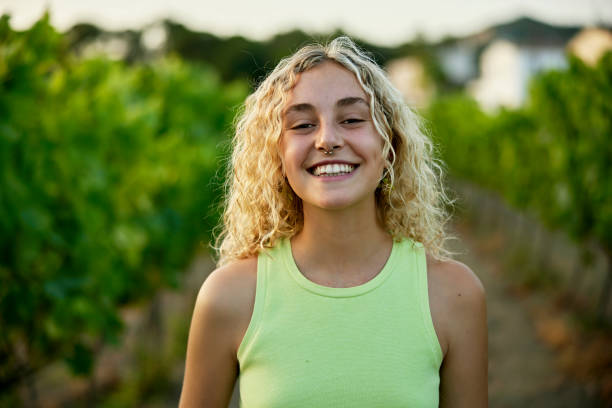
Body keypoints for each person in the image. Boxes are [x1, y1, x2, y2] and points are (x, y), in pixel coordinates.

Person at [179, 37, 488, 408]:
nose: (327, 140)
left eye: (353, 119)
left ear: (389, 143)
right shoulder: (229, 297)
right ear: (277, 154)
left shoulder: (452, 294)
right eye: (303, 124)